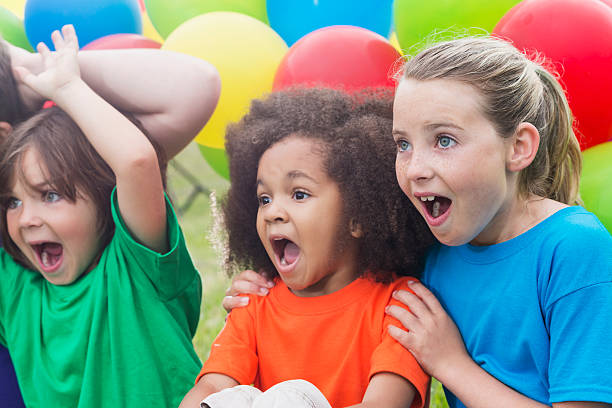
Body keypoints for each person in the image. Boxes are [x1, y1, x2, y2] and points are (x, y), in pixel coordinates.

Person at [223, 36, 612, 408]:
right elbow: (351, 287)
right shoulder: (436, 246)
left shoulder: (574, 248)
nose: (415, 169)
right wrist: (264, 294)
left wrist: (450, 364)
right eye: (403, 144)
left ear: (519, 147)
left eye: (444, 140)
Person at [0, 30, 220, 407]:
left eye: (50, 195)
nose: (27, 219)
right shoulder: (16, 289)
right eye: (12, 203)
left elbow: (135, 160)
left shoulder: (137, 270)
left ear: (107, 195)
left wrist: (65, 85)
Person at [179, 87, 435, 408]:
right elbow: (214, 386)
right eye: (264, 199)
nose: (272, 212)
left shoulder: (398, 307)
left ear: (359, 215)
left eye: (299, 194)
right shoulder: (255, 305)